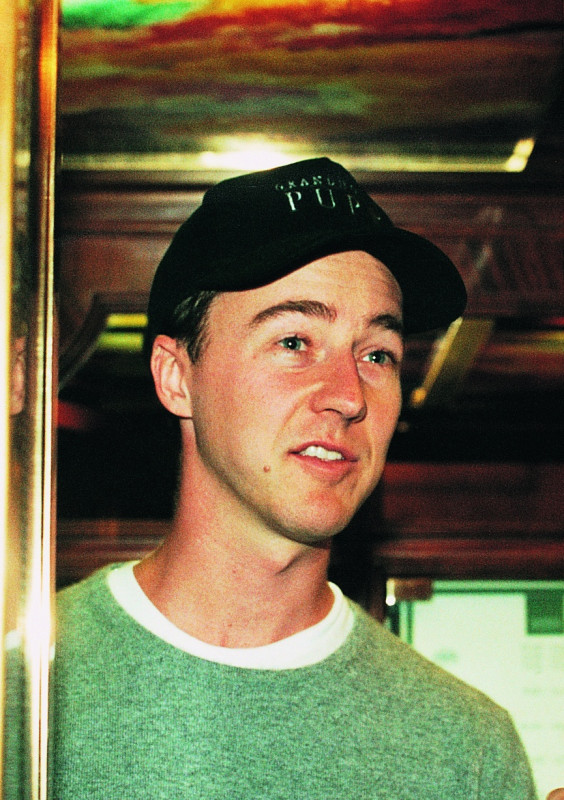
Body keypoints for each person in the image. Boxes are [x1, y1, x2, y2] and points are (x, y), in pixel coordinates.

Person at [53, 157, 538, 799]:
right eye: (294, 342)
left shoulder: (468, 751)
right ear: (177, 376)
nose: (349, 396)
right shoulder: (25, 691)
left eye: (377, 354)